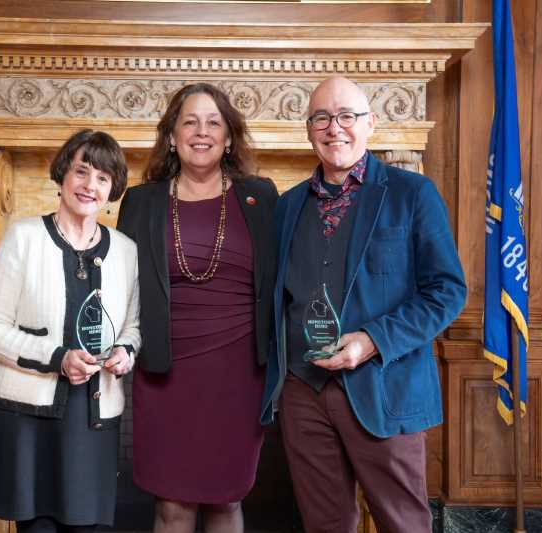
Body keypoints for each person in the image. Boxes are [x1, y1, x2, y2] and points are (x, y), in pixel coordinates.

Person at [260, 76, 467, 533]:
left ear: (370, 123)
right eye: (322, 118)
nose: (335, 128)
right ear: (309, 128)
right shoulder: (288, 206)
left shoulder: (413, 194)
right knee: (325, 525)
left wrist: (372, 341)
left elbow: (447, 291)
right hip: (304, 393)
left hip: (385, 388)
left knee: (403, 524)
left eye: (347, 116)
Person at [117, 83, 277, 533]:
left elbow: (286, 277)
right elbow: (118, 285)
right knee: (172, 505)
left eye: (213, 123)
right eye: (189, 121)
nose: (201, 132)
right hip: (165, 373)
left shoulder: (261, 196)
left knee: (226, 500)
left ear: (229, 137)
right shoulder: (142, 201)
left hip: (239, 374)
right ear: (171, 135)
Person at [0, 129, 141, 533]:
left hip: (93, 420)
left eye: (103, 178)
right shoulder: (24, 238)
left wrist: (125, 351)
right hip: (29, 421)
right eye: (82, 172)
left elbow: (133, 326)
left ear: (113, 188)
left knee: (91, 526)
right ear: (63, 174)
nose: (90, 186)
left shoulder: (125, 250)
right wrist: (56, 359)